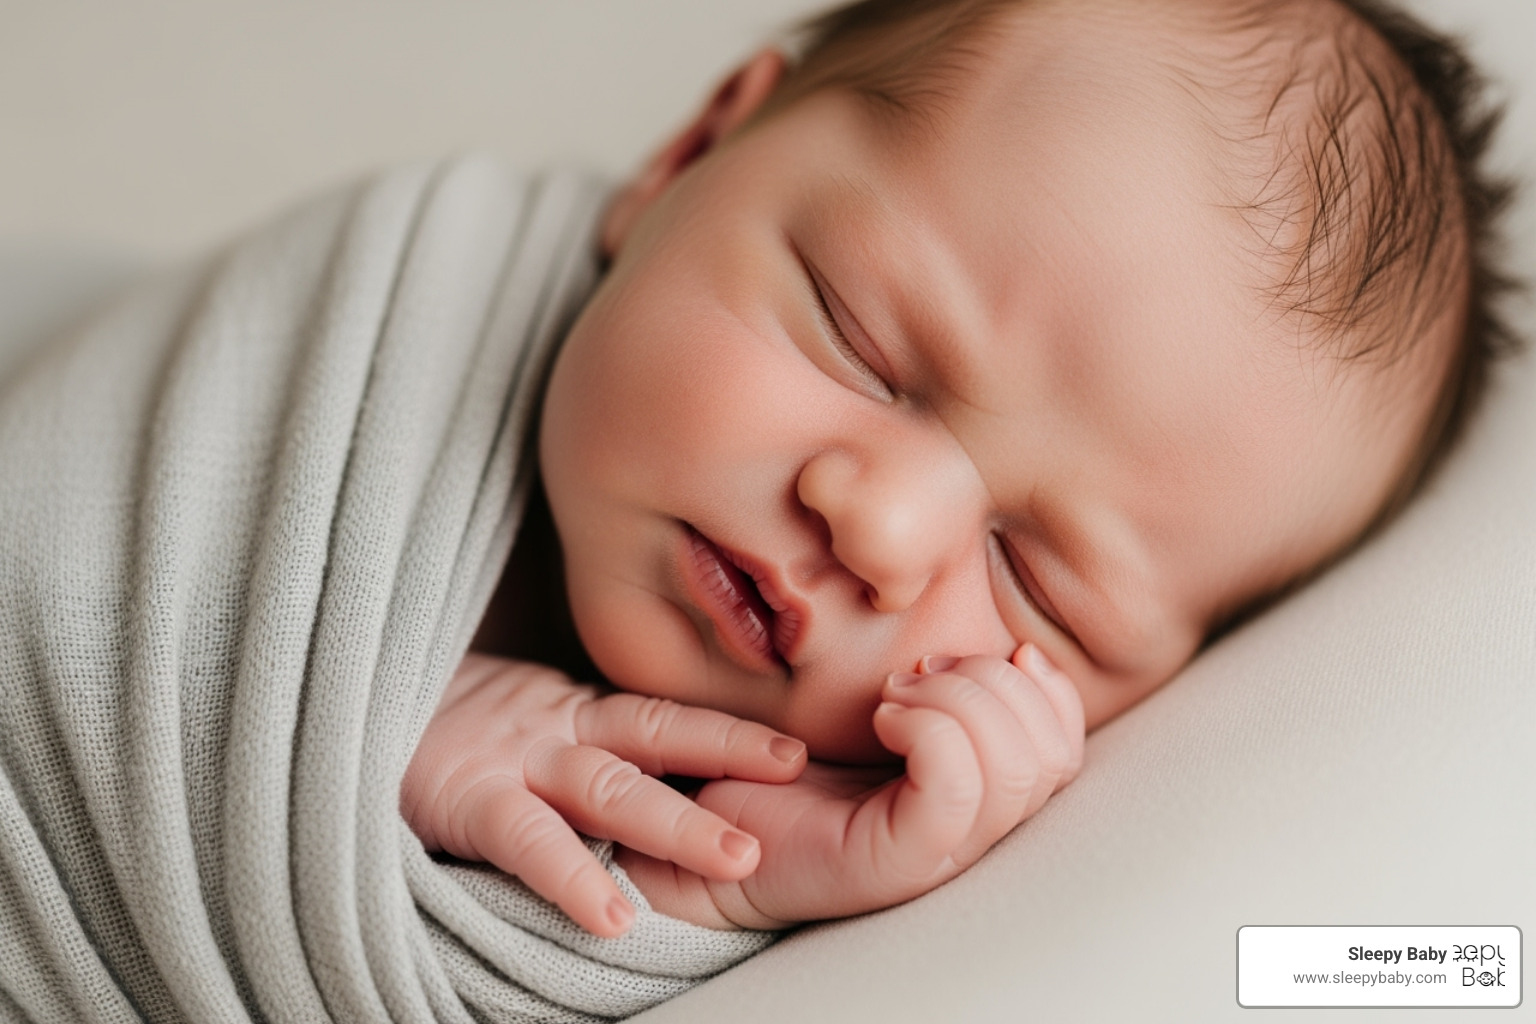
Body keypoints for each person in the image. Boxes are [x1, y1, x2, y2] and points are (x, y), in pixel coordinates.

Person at [402, 0, 1515, 939]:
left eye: (1036, 581)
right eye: (861, 343)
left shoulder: (827, 838)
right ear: (693, 155)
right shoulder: (404, 304)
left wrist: (715, 890)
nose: (878, 530)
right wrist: (386, 729)